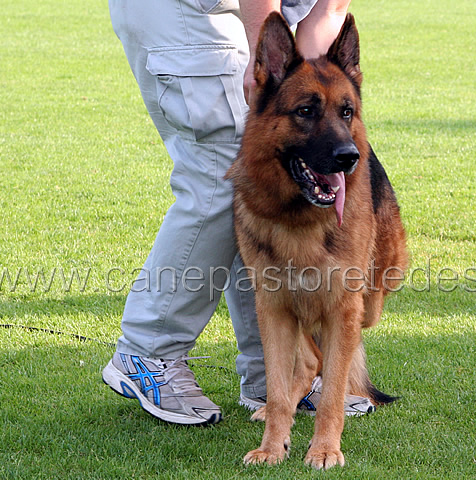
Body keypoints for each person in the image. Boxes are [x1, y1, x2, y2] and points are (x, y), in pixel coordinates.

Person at [102, 0, 371, 425]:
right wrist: (263, 61)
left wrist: (301, 73)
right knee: (222, 168)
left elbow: (330, 8)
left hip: (239, 12)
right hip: (186, 11)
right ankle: (147, 353)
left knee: (264, 177)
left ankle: (275, 375)